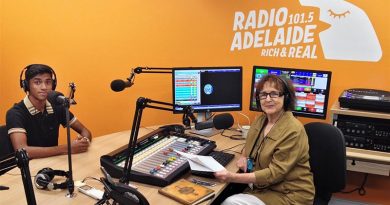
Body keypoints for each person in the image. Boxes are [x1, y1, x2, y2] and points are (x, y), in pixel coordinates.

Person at [214, 74, 314, 205]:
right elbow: (251, 148)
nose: (268, 99)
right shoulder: (261, 121)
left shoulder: (293, 130)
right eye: (263, 94)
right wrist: (245, 158)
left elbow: (274, 174)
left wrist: (232, 177)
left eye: (274, 94)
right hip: (263, 188)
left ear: (286, 97)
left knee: (231, 202)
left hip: (289, 194)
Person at [6, 64, 92, 159]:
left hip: (53, 163)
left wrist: (84, 142)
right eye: (37, 82)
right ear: (26, 86)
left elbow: (85, 131)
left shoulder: (57, 106)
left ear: (53, 85)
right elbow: (22, 150)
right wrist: (67, 148)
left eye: (48, 82)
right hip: (29, 169)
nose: (44, 87)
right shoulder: (15, 113)